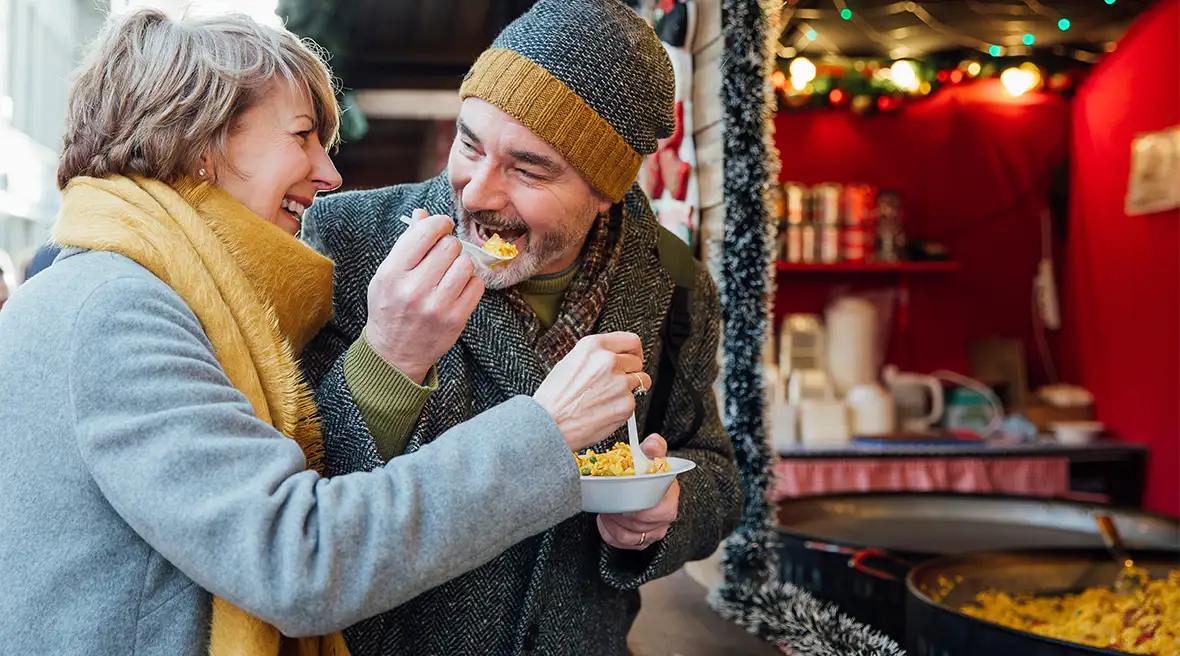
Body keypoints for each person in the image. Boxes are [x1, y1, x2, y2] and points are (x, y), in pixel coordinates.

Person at [0, 9, 652, 656]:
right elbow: (298, 559)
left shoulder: (164, 293)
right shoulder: (119, 310)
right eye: (304, 134)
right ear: (203, 144)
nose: (330, 174)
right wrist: (547, 430)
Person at [300, 1, 742, 653]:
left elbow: (716, 471)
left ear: (604, 189)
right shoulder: (344, 242)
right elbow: (291, 519)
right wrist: (387, 359)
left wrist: (666, 511)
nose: (477, 191)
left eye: (529, 168)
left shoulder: (674, 283)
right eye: (469, 142)